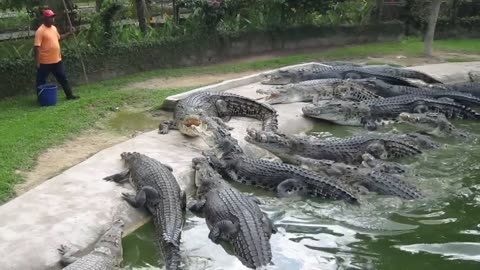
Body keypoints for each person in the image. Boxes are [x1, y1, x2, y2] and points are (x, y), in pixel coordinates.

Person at [34, 9, 79, 100]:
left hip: (57, 60)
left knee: (63, 78)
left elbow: (59, 38)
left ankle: (69, 95)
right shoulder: (40, 31)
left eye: (53, 17)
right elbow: (36, 47)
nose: (52, 19)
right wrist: (37, 62)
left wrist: (69, 33)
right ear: (45, 18)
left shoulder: (54, 28)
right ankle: (41, 98)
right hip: (45, 62)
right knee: (40, 81)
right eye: (50, 17)